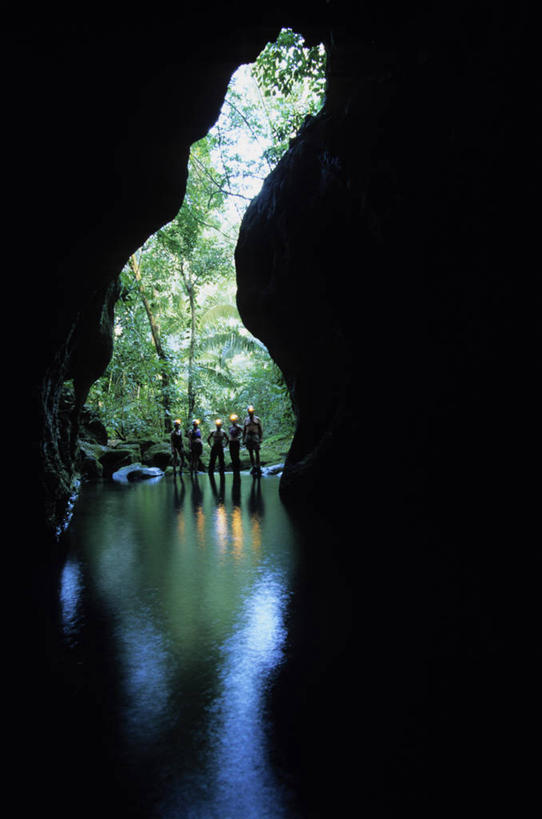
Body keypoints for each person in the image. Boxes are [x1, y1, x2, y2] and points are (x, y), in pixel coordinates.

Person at [243, 405, 263, 475]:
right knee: (250, 452)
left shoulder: (257, 419)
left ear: (253, 411)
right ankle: (253, 466)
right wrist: (243, 439)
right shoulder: (246, 420)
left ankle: (258, 466)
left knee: (257, 451)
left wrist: (261, 438)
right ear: (248, 412)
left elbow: (260, 429)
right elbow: (244, 430)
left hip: (255, 436)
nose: (250, 412)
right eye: (249, 411)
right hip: (248, 437)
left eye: (251, 411)